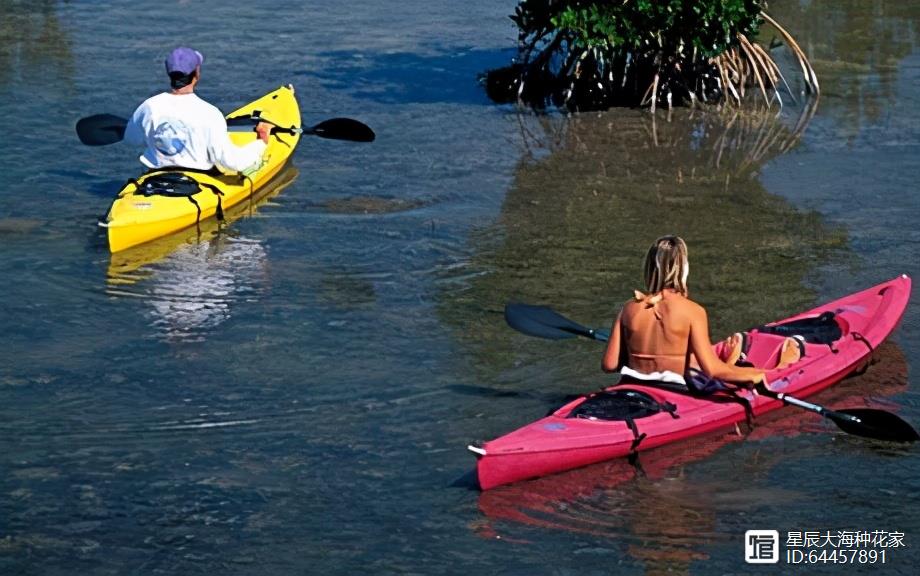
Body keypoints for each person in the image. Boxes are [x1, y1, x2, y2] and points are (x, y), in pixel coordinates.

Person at [601, 235, 800, 388]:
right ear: (684, 270)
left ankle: (732, 359)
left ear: (649, 269)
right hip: (675, 393)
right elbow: (712, 370)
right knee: (739, 373)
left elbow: (609, 364)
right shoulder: (692, 311)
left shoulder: (628, 308)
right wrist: (758, 374)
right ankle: (760, 366)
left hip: (632, 387)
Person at [124, 47, 272, 174]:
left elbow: (131, 139)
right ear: (196, 74)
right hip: (196, 180)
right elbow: (233, 163)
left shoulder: (148, 107)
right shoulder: (210, 113)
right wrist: (261, 141)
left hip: (154, 177)